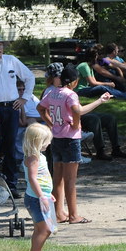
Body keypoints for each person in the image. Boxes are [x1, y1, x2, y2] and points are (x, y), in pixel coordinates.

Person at [38, 64, 111, 224]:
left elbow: (40, 108)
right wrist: (97, 103)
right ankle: (73, 215)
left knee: (57, 178)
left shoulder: (53, 92)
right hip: (70, 140)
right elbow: (77, 111)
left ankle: (58, 213)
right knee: (70, 180)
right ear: (74, 82)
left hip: (56, 138)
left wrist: (50, 124)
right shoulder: (70, 95)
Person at [0, 34, 36, 198]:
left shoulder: (11, 60)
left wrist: (24, 98)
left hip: (11, 107)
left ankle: (11, 185)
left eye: (1, 45)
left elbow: (29, 77)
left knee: (11, 146)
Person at [22, 122, 55, 251]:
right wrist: (41, 195)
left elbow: (43, 177)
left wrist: (48, 193)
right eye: (46, 141)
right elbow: (33, 178)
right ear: (38, 142)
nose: (48, 144)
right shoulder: (33, 158)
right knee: (45, 229)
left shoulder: (39, 156)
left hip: (42, 196)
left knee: (39, 228)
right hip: (36, 199)